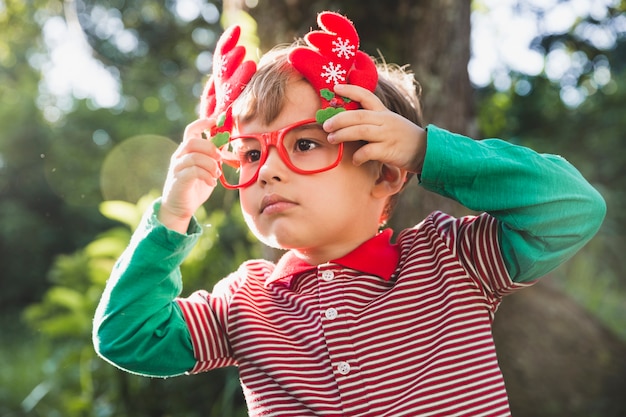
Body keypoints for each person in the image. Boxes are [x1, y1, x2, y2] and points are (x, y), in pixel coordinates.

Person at [93, 11, 606, 417]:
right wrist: (173, 214)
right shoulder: (243, 305)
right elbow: (127, 336)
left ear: (385, 171)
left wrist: (429, 151)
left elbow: (571, 208)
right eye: (250, 153)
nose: (268, 169)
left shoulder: (453, 260)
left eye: (307, 142)